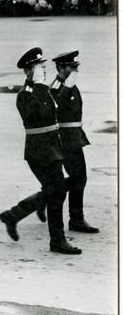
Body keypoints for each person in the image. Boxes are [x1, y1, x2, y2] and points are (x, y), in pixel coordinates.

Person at [0, 48, 81, 255]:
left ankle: (13, 215)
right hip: (40, 152)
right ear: (28, 72)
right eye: (39, 68)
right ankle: (57, 240)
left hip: (52, 148)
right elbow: (38, 113)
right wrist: (38, 85)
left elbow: (54, 110)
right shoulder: (25, 95)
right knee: (56, 192)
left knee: (55, 191)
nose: (44, 71)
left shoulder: (42, 90)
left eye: (43, 67)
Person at [51, 50, 99, 234]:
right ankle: (76, 219)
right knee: (79, 178)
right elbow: (54, 107)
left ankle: (41, 201)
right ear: (61, 67)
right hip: (66, 139)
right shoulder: (57, 86)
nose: (75, 70)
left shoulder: (67, 83)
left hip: (73, 137)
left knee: (77, 178)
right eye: (72, 67)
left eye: (76, 67)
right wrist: (68, 86)